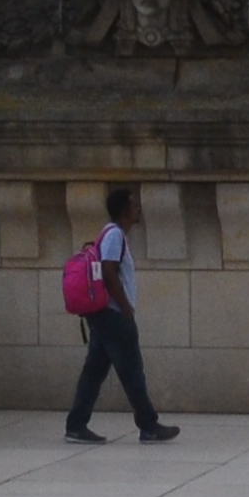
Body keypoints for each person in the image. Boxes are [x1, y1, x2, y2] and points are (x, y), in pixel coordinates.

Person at [63, 182, 179, 444]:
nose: (139, 209)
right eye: (135, 205)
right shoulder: (115, 235)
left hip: (103, 315)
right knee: (132, 370)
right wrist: (125, 307)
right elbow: (108, 270)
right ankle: (149, 426)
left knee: (94, 371)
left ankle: (76, 425)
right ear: (125, 210)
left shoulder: (109, 233)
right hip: (113, 314)